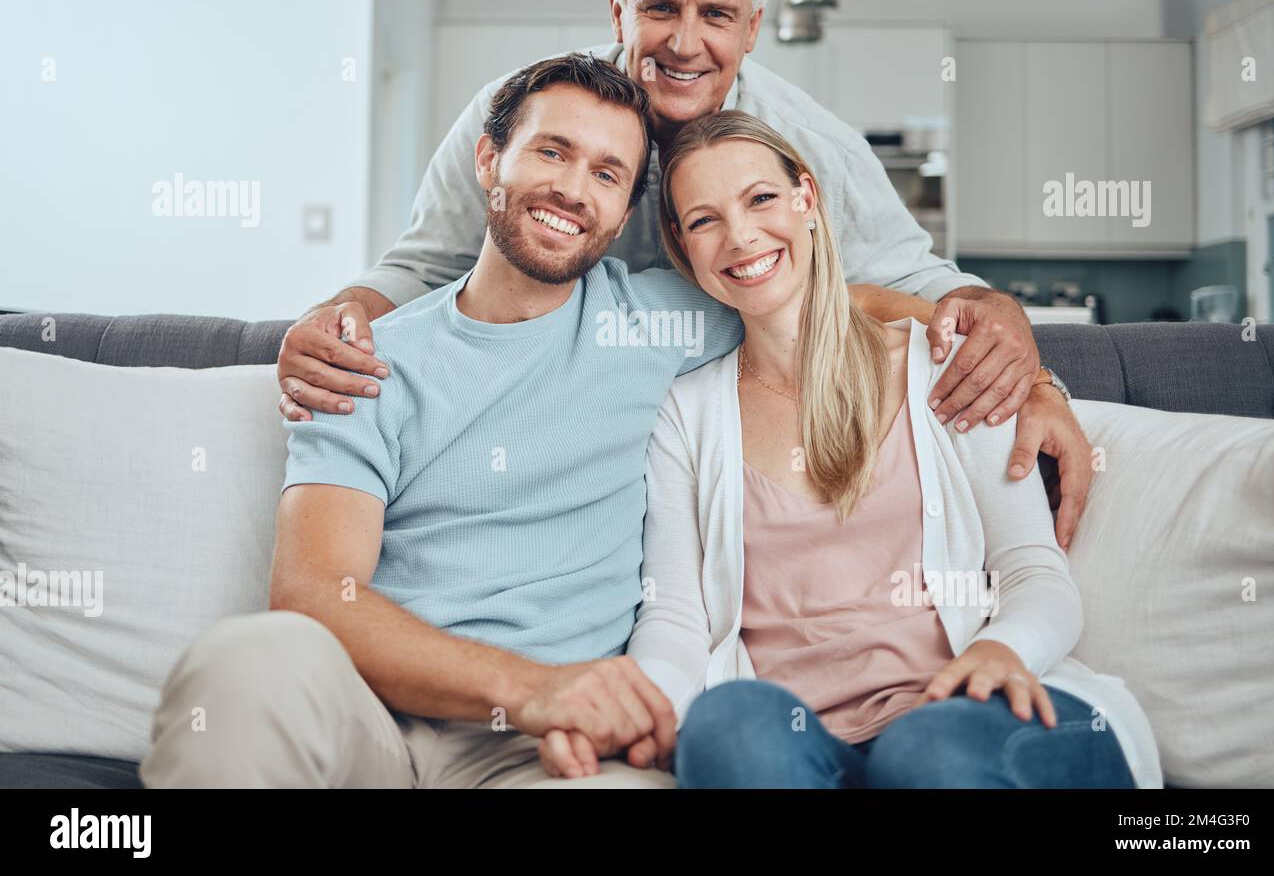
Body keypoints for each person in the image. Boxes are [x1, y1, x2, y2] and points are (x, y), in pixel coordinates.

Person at [275, 0, 1093, 551]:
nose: (686, 42)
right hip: (556, 441)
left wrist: (1032, 370)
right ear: (618, 9)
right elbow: (422, 266)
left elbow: (916, 283)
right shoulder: (523, 120)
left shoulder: (809, 145)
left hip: (735, 445)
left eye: (717, 15)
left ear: (753, 28)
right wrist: (337, 315)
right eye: (660, 7)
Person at [144, 55, 867, 788]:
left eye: (608, 174)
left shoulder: (657, 323)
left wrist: (976, 313)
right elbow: (312, 590)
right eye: (552, 152)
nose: (573, 189)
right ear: (490, 160)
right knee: (248, 659)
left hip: (554, 757)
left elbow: (821, 298)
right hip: (374, 724)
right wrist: (528, 689)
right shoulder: (365, 360)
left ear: (625, 215)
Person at [582, 111, 1161, 788]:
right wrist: (648, 706)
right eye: (705, 220)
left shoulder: (945, 367)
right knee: (727, 726)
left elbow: (1034, 572)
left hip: (970, 714)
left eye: (761, 199)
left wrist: (1006, 649)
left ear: (807, 200)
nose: (741, 236)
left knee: (925, 754)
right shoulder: (686, 413)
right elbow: (676, 617)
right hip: (802, 743)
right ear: (681, 244)